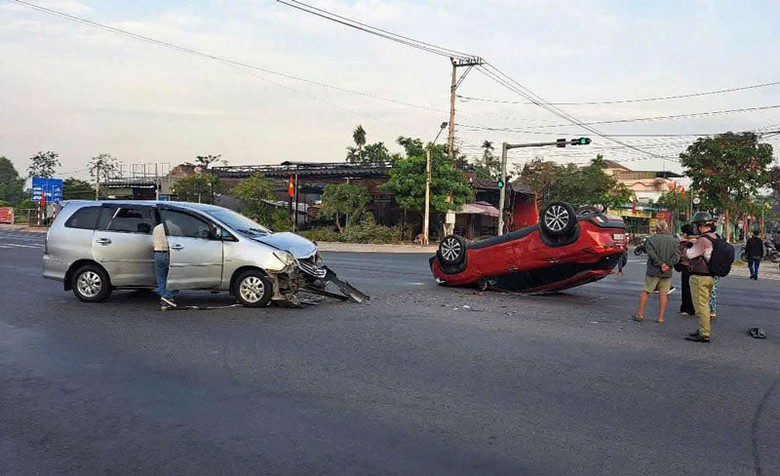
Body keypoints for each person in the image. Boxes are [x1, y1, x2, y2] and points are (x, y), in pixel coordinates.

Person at [632, 220, 679, 324]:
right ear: (666, 228)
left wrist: (660, 264)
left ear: (657, 229)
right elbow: (677, 256)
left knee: (646, 291)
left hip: (653, 270)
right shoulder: (674, 240)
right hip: (667, 272)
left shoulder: (651, 240)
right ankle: (660, 317)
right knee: (663, 294)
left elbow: (651, 254)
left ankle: (640, 314)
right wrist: (667, 265)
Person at [684, 212, 718, 343]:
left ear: (700, 226)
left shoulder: (703, 240)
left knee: (701, 306)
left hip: (700, 277)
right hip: (711, 276)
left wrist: (684, 245)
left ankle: (704, 333)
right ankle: (702, 329)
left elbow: (689, 254)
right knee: (705, 304)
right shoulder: (714, 237)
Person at [152, 221, 179, 311]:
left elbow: (153, 242)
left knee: (161, 277)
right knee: (175, 276)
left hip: (157, 253)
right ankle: (167, 296)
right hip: (169, 253)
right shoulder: (175, 227)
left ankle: (164, 298)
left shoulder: (156, 228)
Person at [677, 223, 696, 316]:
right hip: (696, 267)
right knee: (694, 288)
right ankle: (693, 307)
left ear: (685, 233)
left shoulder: (684, 243)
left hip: (686, 266)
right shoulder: (698, 241)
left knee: (686, 288)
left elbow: (681, 254)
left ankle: (686, 308)